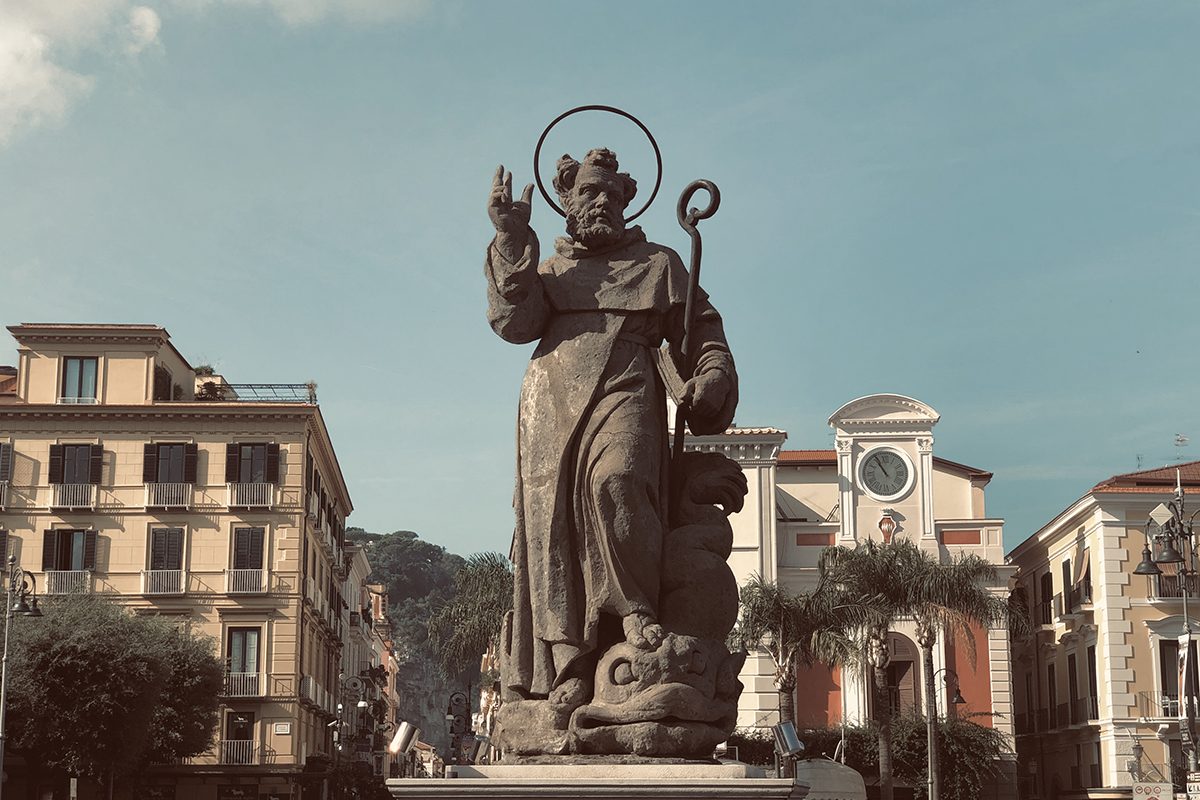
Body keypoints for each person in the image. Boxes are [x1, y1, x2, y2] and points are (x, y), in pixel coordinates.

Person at [484, 148, 738, 710]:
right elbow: (513, 323)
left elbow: (701, 333)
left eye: (611, 194)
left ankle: (635, 612)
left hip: (627, 384)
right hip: (550, 403)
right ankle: (568, 663)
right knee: (553, 529)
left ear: (626, 201)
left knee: (617, 482)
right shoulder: (549, 272)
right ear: (567, 203)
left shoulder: (659, 264)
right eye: (587, 193)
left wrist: (712, 375)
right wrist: (509, 241)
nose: (600, 202)